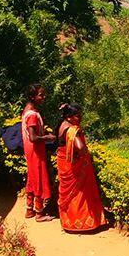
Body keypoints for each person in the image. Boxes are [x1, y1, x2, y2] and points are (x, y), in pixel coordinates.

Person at [55, 104, 106, 234]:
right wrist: (83, 156)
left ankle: (69, 223)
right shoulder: (71, 130)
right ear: (69, 117)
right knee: (80, 194)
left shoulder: (62, 124)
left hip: (64, 163)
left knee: (70, 194)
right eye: (77, 115)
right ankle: (83, 223)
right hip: (74, 167)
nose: (81, 118)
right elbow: (81, 147)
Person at [21, 88, 55, 221]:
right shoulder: (32, 115)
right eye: (41, 95)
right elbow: (33, 138)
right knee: (39, 178)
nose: (43, 97)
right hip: (35, 150)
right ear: (32, 96)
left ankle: (29, 209)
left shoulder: (27, 111)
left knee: (32, 177)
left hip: (30, 151)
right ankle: (39, 213)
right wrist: (48, 137)